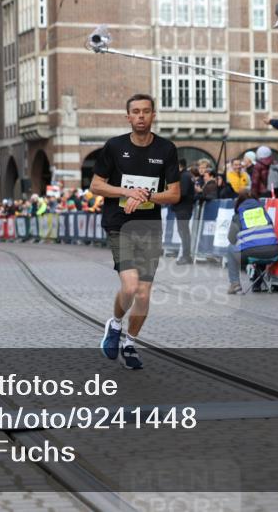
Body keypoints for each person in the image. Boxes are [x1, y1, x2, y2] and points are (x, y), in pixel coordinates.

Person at [91, 94, 180, 370]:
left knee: (143, 293)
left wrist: (147, 196)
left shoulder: (166, 149)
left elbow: (174, 194)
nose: (141, 116)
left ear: (154, 115)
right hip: (119, 223)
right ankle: (115, 324)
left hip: (149, 227)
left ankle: (129, 343)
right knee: (130, 286)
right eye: (136, 112)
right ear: (128, 117)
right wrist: (127, 191)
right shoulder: (114, 146)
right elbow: (96, 185)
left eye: (146, 111)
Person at [225, 190, 278, 294]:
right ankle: (257, 284)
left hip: (251, 253)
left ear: (239, 202)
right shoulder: (264, 212)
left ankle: (235, 284)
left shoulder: (238, 215)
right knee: (261, 246)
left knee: (230, 248)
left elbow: (231, 239)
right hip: (274, 253)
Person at [173, 159, 195, 265]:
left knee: (184, 232)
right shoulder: (185, 175)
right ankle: (186, 256)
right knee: (183, 232)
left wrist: (171, 197)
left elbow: (183, 192)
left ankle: (186, 256)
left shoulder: (185, 176)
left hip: (183, 208)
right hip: (183, 207)